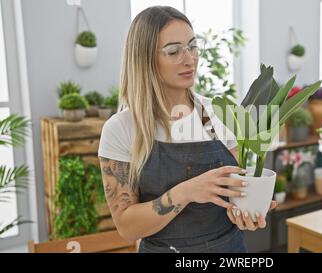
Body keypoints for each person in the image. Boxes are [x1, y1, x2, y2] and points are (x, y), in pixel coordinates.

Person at [98, 6, 276, 253]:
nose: (189, 59)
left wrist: (244, 211)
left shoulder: (218, 113)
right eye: (173, 51)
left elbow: (235, 193)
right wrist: (186, 192)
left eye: (193, 46)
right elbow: (127, 227)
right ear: (144, 58)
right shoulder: (121, 129)